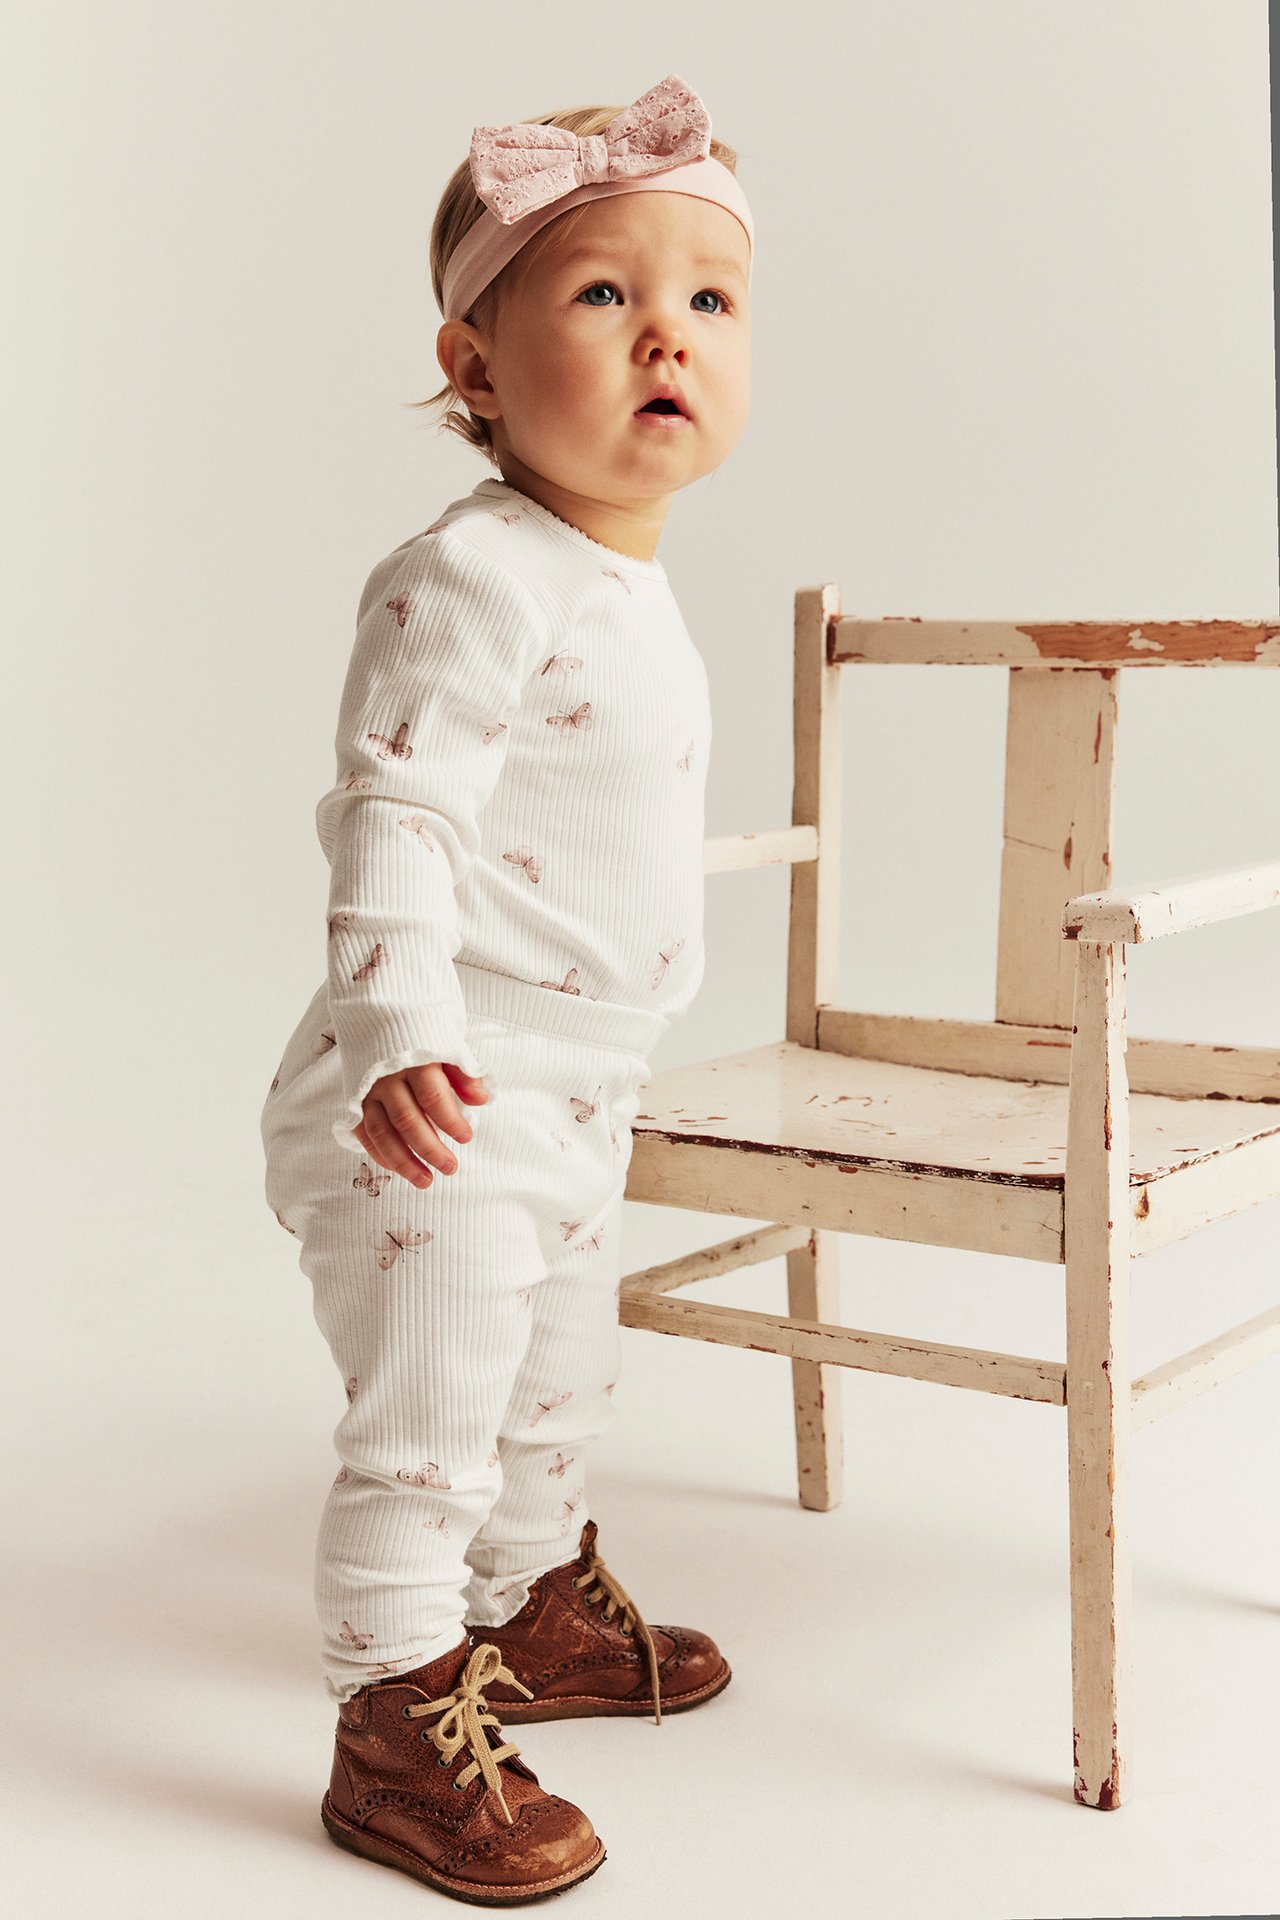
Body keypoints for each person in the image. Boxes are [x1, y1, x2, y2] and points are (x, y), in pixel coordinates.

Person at [260, 71, 753, 1903]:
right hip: (444, 1087)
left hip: (577, 1080)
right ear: (472, 365)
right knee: (438, 1416)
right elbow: (392, 804)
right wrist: (404, 1031)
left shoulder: (621, 581)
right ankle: (392, 1717)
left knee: (556, 1383)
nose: (667, 340)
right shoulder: (469, 573)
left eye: (709, 299)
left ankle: (527, 1611)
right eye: (602, 295)